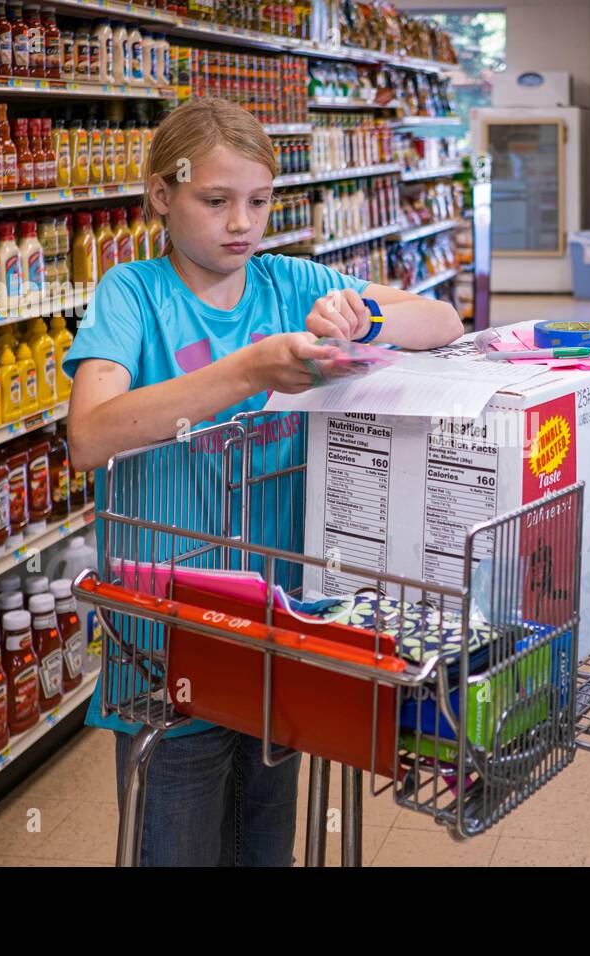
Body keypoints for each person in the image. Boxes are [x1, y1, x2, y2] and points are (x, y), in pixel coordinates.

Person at [63, 97, 463, 866]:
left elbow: (443, 322)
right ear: (161, 197)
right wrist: (246, 368)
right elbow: (91, 434)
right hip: (169, 641)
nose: (241, 222)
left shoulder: (289, 283)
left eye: (259, 201)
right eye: (216, 201)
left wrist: (363, 319)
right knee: (172, 840)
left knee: (265, 840)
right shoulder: (132, 295)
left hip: (285, 630)